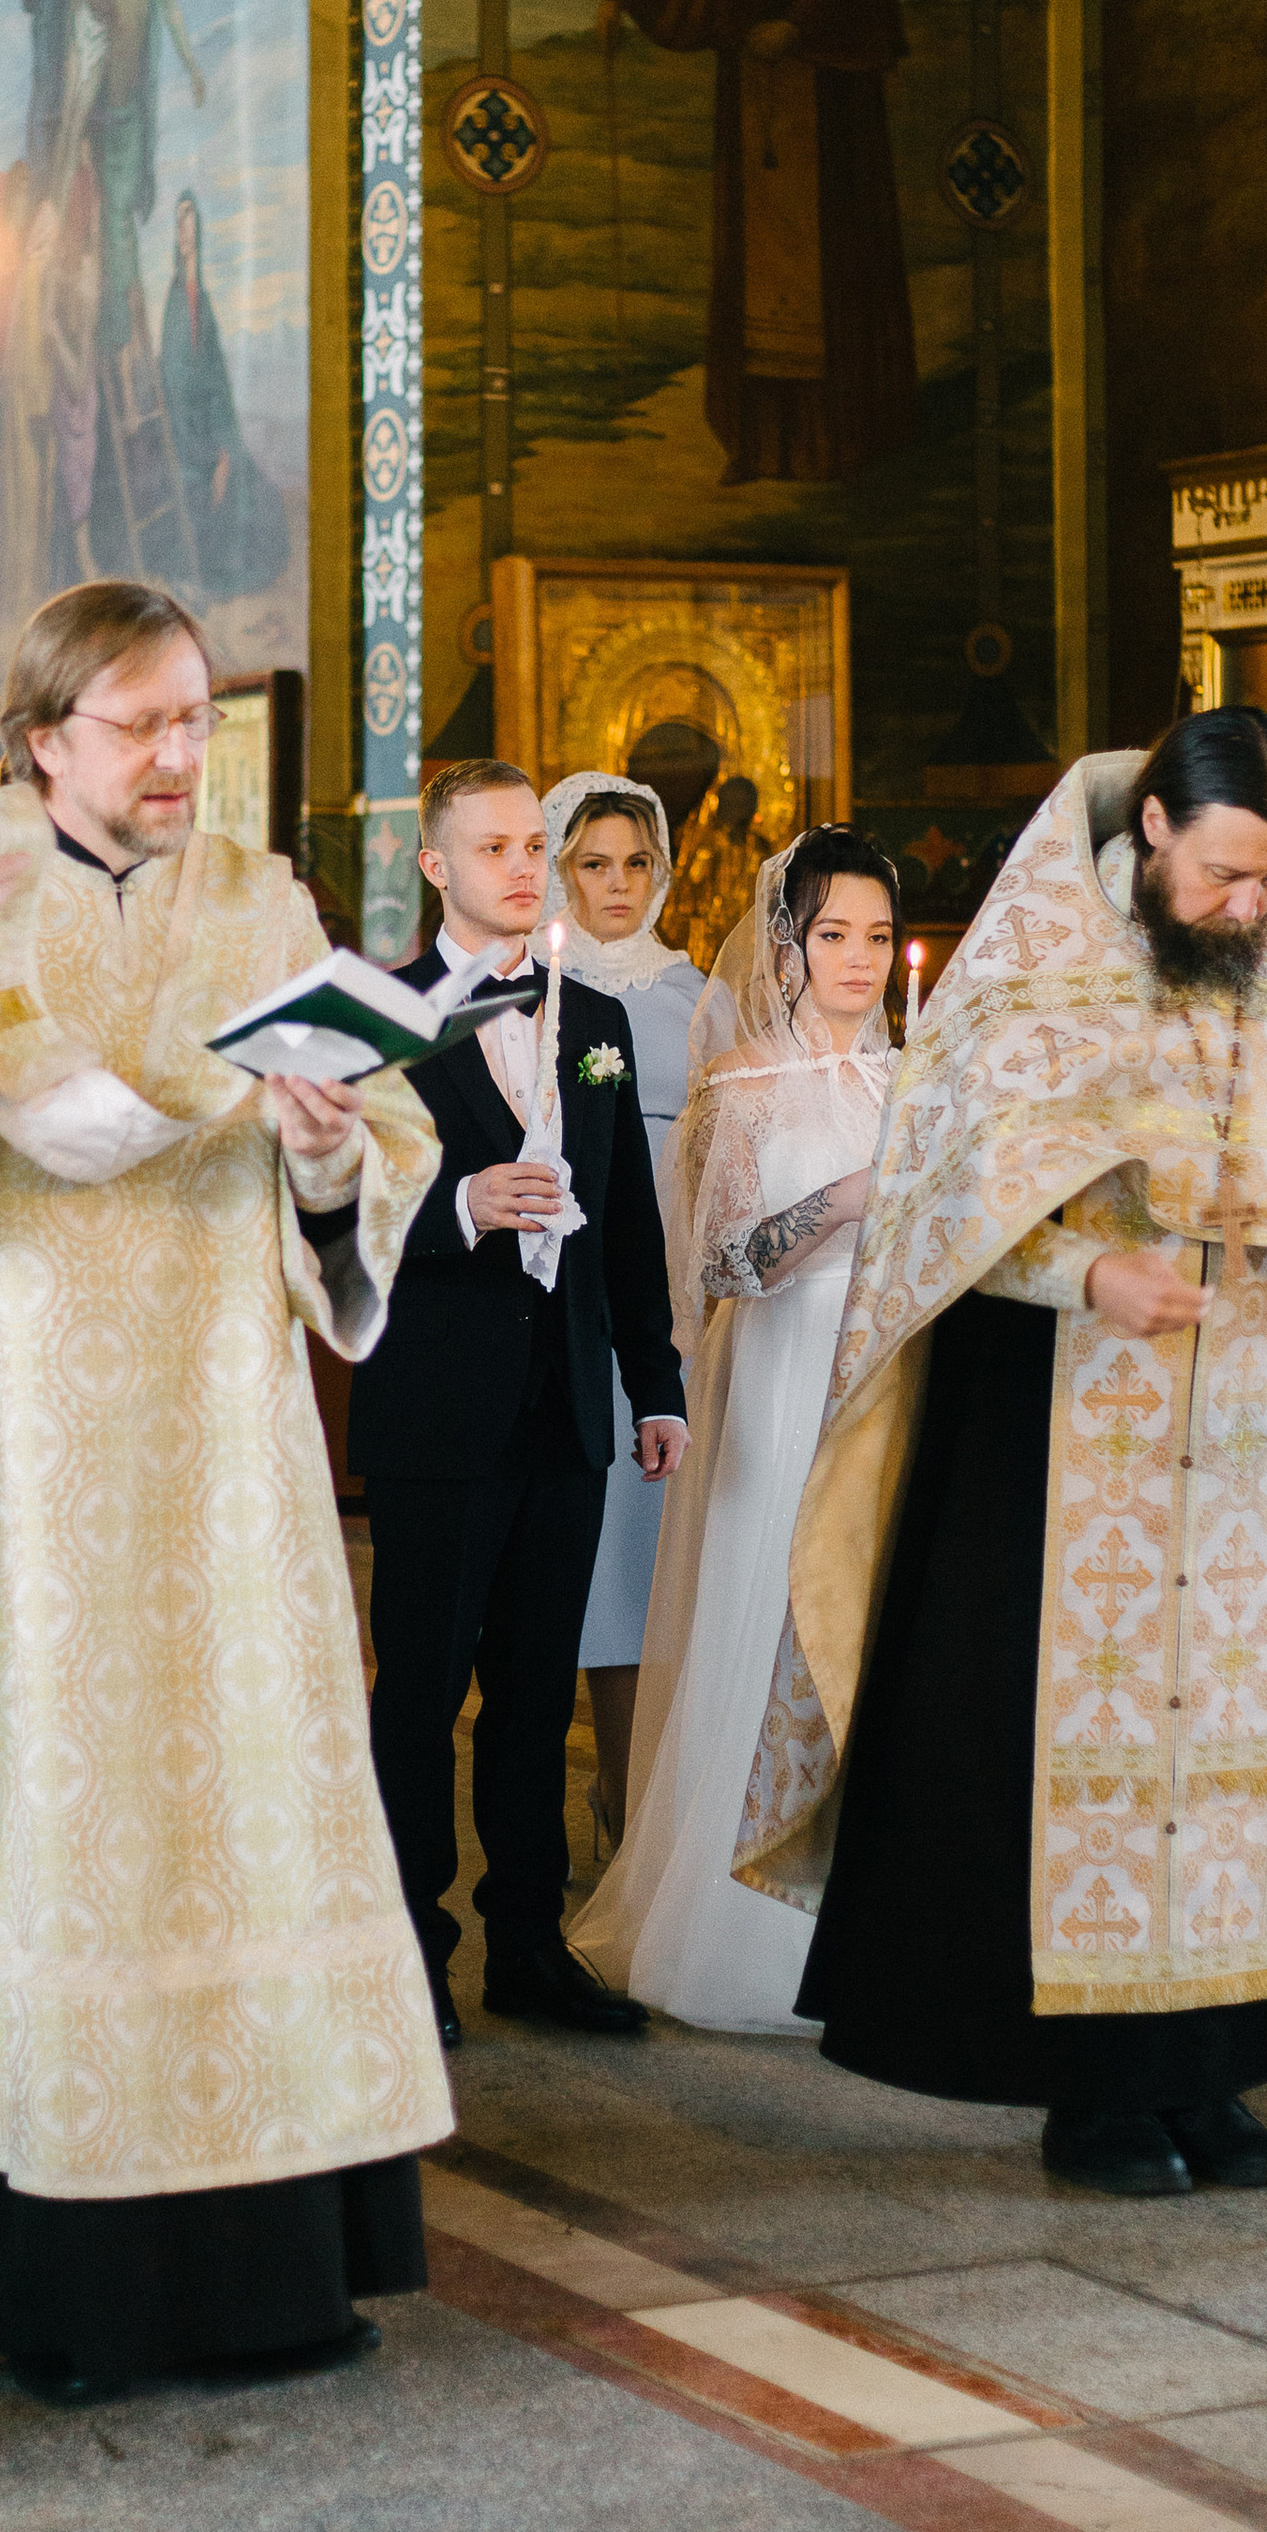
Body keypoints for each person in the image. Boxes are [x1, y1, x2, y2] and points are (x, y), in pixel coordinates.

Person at [0, 578, 449, 2401]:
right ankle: (27, 2276)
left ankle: (261, 2272)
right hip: (0, 1460)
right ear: (45, 738)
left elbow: (380, 1143)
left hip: (216, 1457)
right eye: (145, 727)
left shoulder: (259, 903)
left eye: (198, 719)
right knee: (10, 1809)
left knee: (234, 1812)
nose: (184, 756)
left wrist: (331, 1142)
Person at [748, 714, 1267, 2200]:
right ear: (1160, 829)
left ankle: (1212, 2073)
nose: (1254, 907)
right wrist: (1084, 1275)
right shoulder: (1033, 957)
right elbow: (942, 1198)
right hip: (1060, 1433)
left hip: (1232, 1445)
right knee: (1086, 1767)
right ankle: (1096, 2093)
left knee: (1229, 1762)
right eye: (1231, 874)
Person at [347, 758, 690, 2047]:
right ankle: (412, 1951)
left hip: (566, 1402)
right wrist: (456, 1208)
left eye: (529, 847)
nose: (522, 868)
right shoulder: (370, 1019)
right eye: (492, 848)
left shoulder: (591, 1023)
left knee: (539, 1695)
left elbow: (632, 1224)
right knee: (422, 1693)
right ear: (436, 865)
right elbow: (318, 1209)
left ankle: (531, 1942)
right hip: (436, 1405)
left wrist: (651, 1386)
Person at [574, 829, 897, 2031]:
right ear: (788, 946)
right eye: (832, 936)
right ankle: (749, 1934)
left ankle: (871, 1916)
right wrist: (844, 1201)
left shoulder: (917, 1085)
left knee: (870, 1639)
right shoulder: (743, 1084)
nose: (856, 960)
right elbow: (719, 1263)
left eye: (873, 937)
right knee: (773, 1624)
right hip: (779, 1371)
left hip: (884, 1374)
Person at [598, 0, 914, 483]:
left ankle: (832, 441)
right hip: (749, 82)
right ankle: (757, 442)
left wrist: (797, 26)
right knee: (755, 269)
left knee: (823, 266)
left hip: (821, 89)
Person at [536, 770, 706, 1847]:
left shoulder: (701, 997)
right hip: (572, 1297)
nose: (617, 884)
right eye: (592, 864)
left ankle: (645, 1798)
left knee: (661, 1559)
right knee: (586, 1563)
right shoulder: (539, 997)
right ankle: (595, 1788)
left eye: (636, 863)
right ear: (557, 868)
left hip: (678, 1291)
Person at [159, 187, 289, 602]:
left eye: (190, 220)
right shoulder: (176, 301)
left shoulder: (203, 296)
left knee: (256, 489)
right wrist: (213, 449)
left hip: (213, 427)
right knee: (224, 486)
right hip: (188, 436)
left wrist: (227, 442)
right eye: (178, 220)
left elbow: (215, 378)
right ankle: (208, 580)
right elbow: (177, 384)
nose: (184, 229)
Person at [663, 772, 765, 970]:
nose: (738, 811)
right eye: (732, 804)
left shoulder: (760, 848)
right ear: (720, 806)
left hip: (748, 940)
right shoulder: (705, 844)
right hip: (707, 939)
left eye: (744, 804)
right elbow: (690, 886)